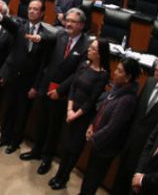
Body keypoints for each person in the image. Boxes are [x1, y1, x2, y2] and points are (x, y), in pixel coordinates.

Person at [18, 8, 89, 175]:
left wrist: (60, 90)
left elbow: (78, 74)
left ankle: (47, 158)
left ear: (81, 25)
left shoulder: (86, 45)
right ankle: (36, 150)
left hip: (63, 93)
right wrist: (40, 38)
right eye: (67, 20)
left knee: (53, 127)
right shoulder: (60, 34)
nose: (68, 24)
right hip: (46, 86)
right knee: (41, 121)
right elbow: (47, 45)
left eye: (73, 21)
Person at [0, 0, 46, 144]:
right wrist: (0, 17)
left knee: (22, 113)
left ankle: (15, 141)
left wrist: (36, 86)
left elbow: (43, 64)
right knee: (8, 110)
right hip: (13, 77)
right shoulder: (20, 27)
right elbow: (12, 49)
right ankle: (3, 138)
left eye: (35, 9)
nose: (31, 11)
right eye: (30, 8)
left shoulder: (46, 35)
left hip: (29, 81)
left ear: (42, 13)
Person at [112, 51, 158, 194]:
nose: (156, 68)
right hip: (129, 146)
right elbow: (136, 114)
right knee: (117, 187)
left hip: (145, 158)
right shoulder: (150, 82)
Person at [47, 38, 111, 190]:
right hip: (71, 110)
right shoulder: (83, 65)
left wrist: (75, 115)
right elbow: (73, 88)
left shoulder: (103, 75)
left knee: (74, 149)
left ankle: (64, 177)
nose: (89, 49)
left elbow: (91, 100)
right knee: (65, 145)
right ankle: (58, 175)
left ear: (100, 54)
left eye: (93, 48)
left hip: (83, 116)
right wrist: (69, 109)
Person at [78, 57, 141, 195]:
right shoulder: (117, 89)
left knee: (93, 179)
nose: (115, 73)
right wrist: (91, 125)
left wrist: (94, 137)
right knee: (88, 176)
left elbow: (113, 127)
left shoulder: (127, 100)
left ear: (128, 77)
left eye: (120, 71)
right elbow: (102, 109)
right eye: (116, 69)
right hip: (97, 139)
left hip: (105, 146)